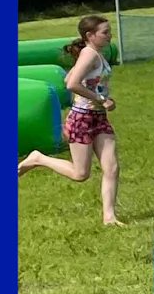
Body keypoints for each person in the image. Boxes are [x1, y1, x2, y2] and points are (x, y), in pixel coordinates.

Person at [18, 15, 125, 226]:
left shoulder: (96, 54)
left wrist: (99, 100)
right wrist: (100, 99)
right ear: (90, 35)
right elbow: (72, 85)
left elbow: (68, 78)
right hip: (82, 118)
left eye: (109, 31)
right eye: (105, 32)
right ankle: (38, 158)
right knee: (80, 174)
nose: (109, 35)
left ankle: (109, 217)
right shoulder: (89, 54)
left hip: (98, 118)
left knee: (111, 167)